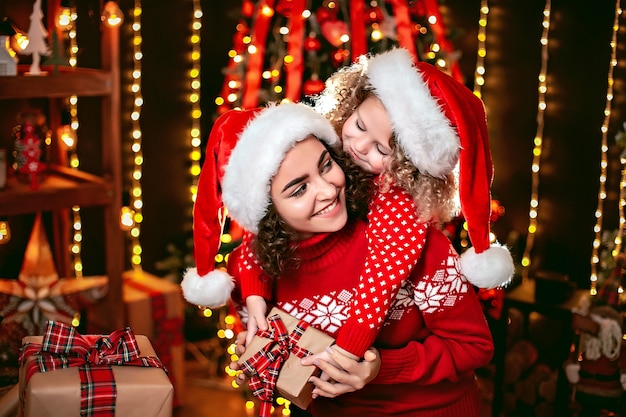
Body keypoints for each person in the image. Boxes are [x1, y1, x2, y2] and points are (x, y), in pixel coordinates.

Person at [182, 101, 495, 416]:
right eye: (299, 189)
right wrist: (263, 353)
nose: (328, 190)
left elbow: (474, 347)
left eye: (326, 165)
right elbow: (300, 365)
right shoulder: (251, 272)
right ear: (266, 211)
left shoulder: (410, 240)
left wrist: (380, 369)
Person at [220, 47, 514, 360]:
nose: (358, 147)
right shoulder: (324, 145)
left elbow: (380, 284)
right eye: (359, 126)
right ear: (351, 105)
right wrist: (255, 295)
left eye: (381, 149)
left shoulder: (396, 203)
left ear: (406, 163)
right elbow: (262, 216)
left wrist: (348, 355)